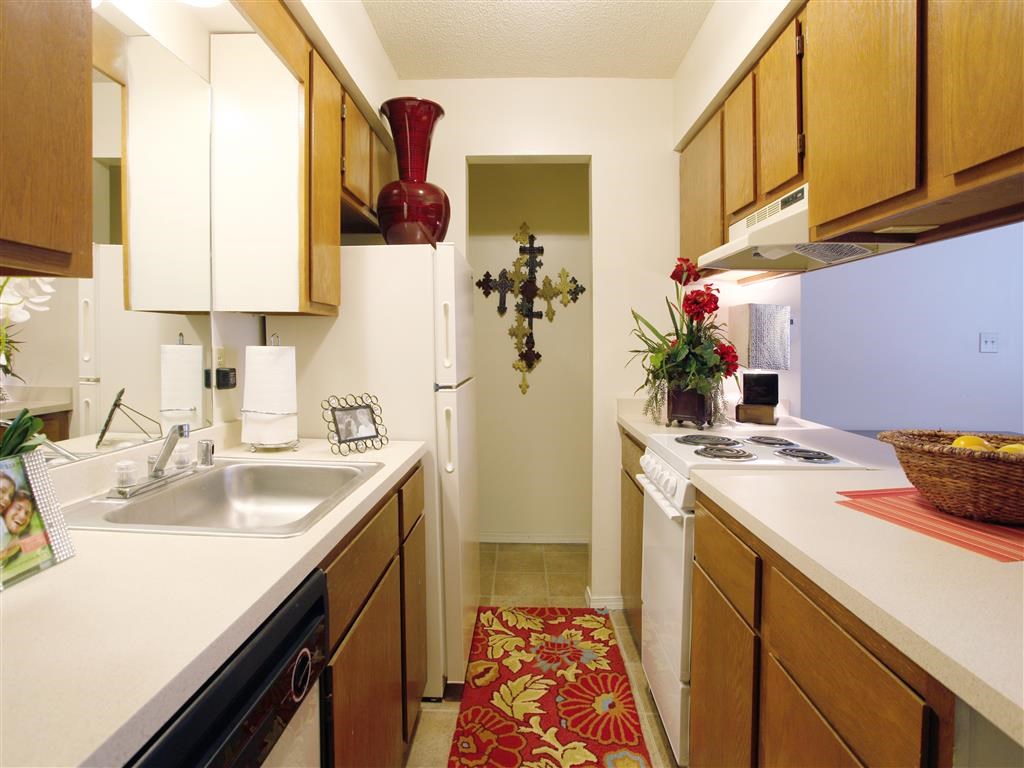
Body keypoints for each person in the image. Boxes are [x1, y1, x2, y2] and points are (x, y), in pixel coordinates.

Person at [1, 485, 33, 560]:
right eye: (18, 508)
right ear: (6, 509)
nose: (22, 516)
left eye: (27, 513)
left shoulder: (13, 538)